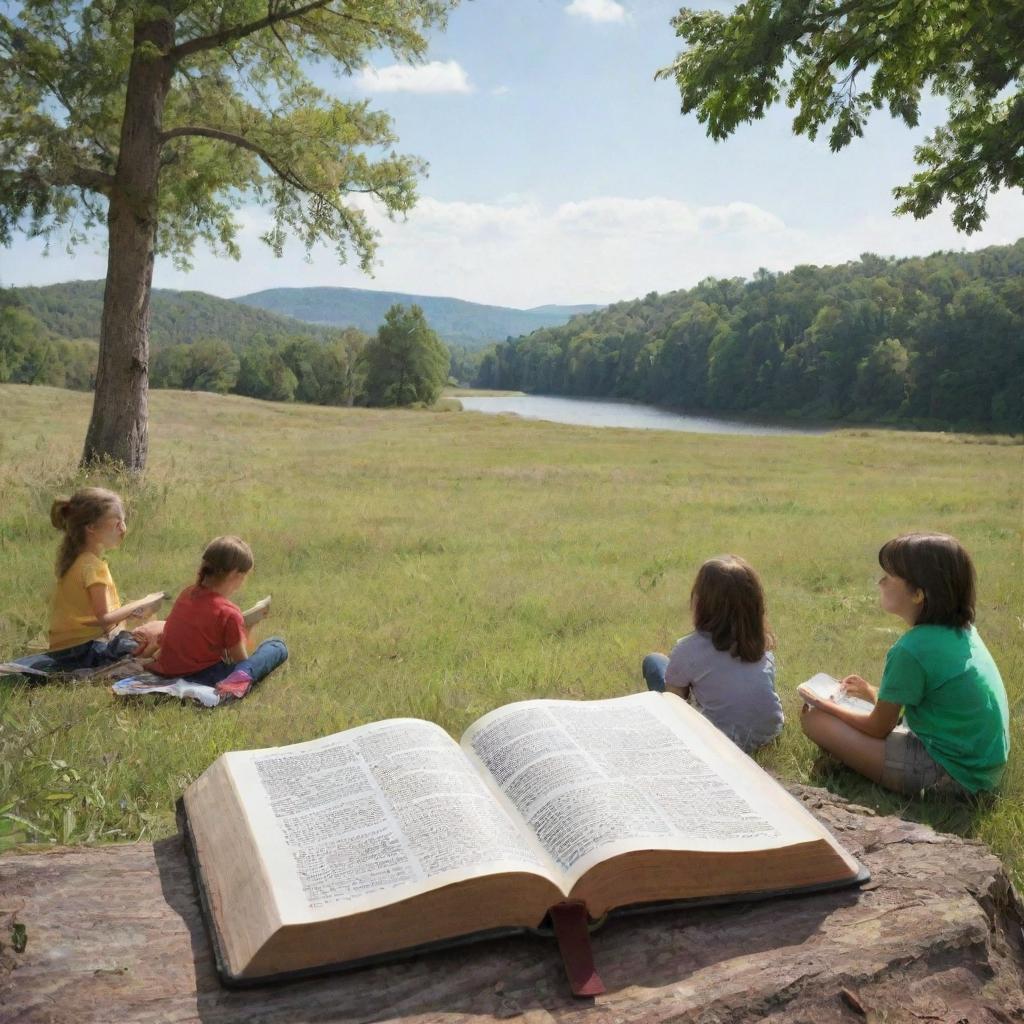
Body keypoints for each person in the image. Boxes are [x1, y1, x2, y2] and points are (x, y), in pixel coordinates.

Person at [800, 533, 1009, 796]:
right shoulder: (962, 631)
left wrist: (826, 705)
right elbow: (918, 701)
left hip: (949, 775)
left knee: (813, 718)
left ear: (918, 594)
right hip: (980, 769)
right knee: (842, 712)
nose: (881, 581)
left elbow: (879, 727)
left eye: (889, 576)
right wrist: (871, 692)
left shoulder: (911, 649)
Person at [7, 488, 164, 677]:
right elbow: (103, 620)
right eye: (117, 523)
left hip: (68, 648)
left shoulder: (78, 559)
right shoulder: (93, 567)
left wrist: (132, 614)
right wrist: (141, 602)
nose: (123, 529)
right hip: (84, 651)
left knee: (146, 635)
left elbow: (94, 619)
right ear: (91, 528)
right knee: (158, 643)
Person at [642, 555, 784, 752]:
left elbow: (673, 702)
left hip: (718, 743)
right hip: (769, 736)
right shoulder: (760, 644)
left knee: (654, 662)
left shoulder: (688, 648)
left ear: (701, 602)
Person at [149, 536, 287, 696]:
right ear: (235, 575)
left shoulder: (187, 593)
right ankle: (232, 685)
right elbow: (240, 660)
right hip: (204, 677)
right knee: (277, 645)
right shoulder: (229, 612)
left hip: (168, 670)